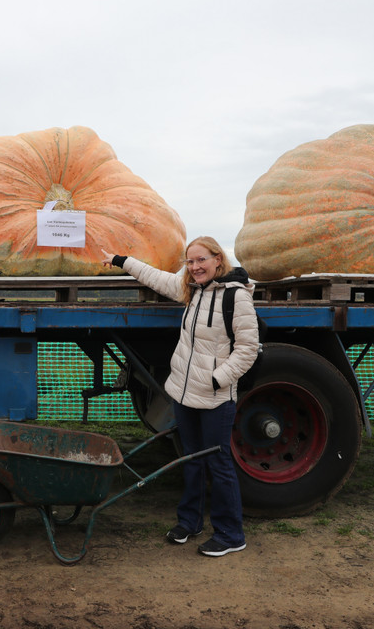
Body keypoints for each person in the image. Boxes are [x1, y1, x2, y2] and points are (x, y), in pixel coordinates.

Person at [101, 237, 258, 557]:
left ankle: (231, 534)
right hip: (183, 394)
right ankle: (190, 521)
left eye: (201, 260)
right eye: (190, 262)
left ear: (218, 260)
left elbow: (247, 349)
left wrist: (218, 379)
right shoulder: (191, 289)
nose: (195, 267)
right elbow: (155, 276)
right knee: (191, 458)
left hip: (215, 398)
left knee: (218, 463)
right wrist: (120, 260)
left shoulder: (235, 298)